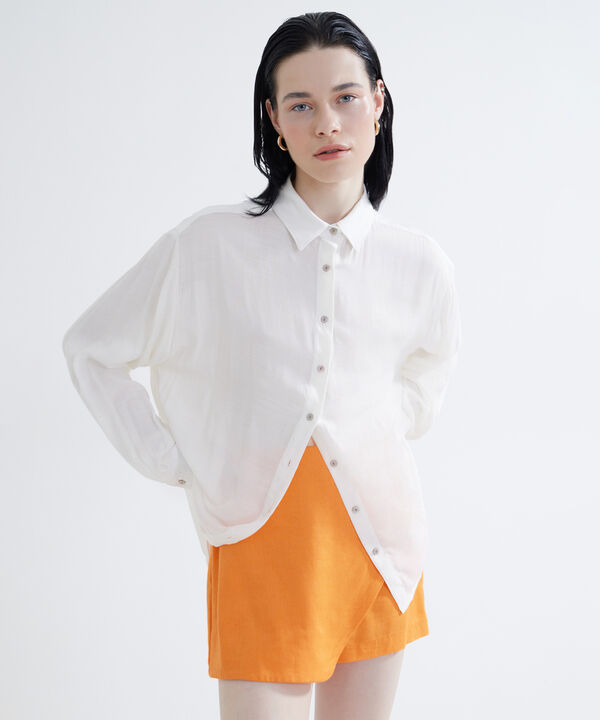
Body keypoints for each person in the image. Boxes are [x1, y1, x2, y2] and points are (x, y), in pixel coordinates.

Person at [62, 10, 461, 720]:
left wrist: (371, 422)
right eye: (300, 105)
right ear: (273, 119)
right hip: (261, 543)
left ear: (378, 102)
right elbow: (91, 349)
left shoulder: (418, 262)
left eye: (345, 97)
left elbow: (423, 385)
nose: (327, 123)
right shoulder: (208, 246)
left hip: (383, 549)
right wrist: (172, 457)